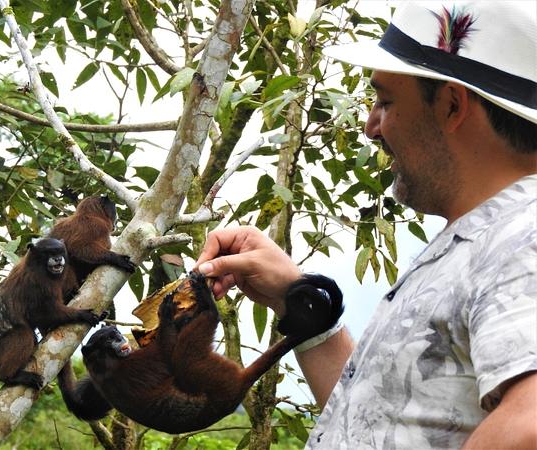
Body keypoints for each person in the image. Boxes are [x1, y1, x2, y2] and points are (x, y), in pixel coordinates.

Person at [195, 1, 537, 449]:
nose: (371, 126)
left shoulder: (522, 237)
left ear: (452, 106)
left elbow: (530, 422)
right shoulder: (485, 239)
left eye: (386, 101)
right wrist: (299, 301)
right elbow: (378, 426)